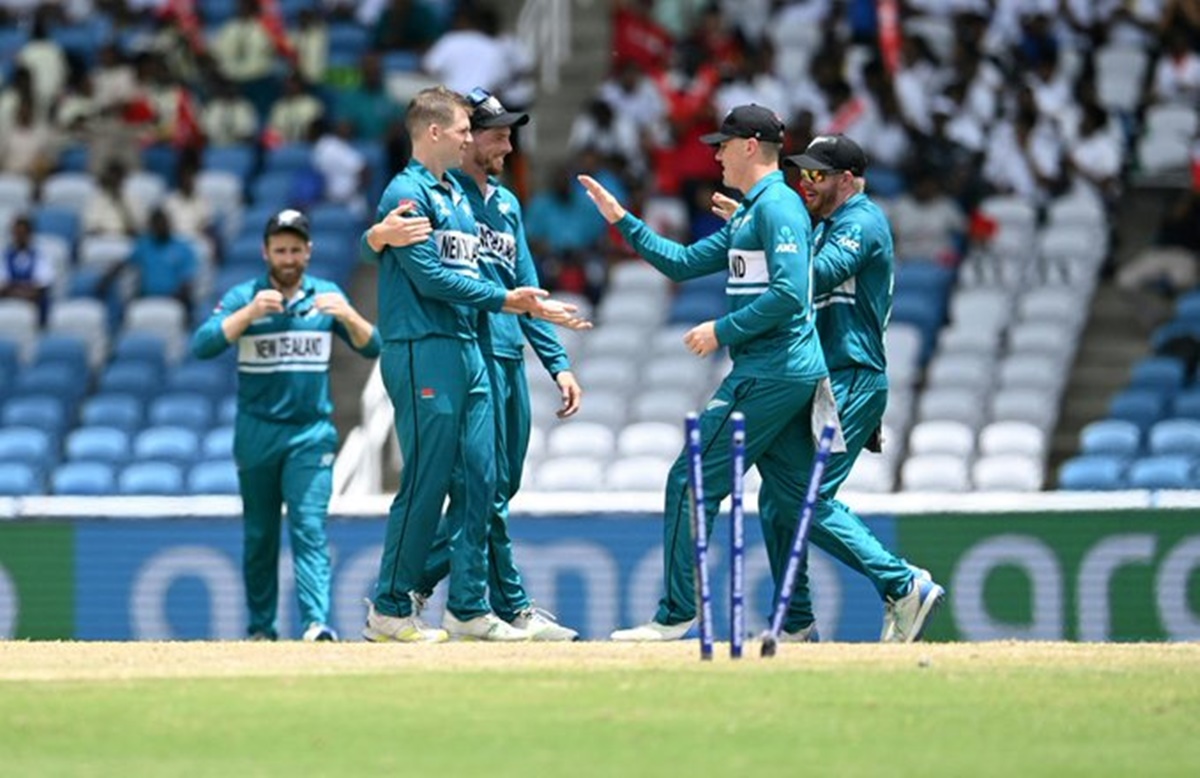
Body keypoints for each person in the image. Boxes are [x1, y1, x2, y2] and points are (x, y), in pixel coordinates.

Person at [578, 104, 830, 641]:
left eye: (722, 145)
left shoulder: (778, 206)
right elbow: (683, 263)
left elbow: (790, 293)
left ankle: (676, 613)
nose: (713, 154)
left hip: (772, 368)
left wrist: (723, 330)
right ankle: (810, 620)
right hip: (781, 369)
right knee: (787, 498)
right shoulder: (754, 211)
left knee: (690, 479)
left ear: (749, 146)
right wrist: (623, 220)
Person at [360, 86, 588, 644]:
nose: (502, 144)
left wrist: (549, 344)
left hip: (474, 345)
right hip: (436, 343)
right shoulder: (424, 191)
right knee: (441, 481)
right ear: (445, 135)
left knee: (487, 483)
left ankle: (462, 603)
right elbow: (435, 276)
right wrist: (374, 238)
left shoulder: (482, 201)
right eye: (483, 131)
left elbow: (512, 278)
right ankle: (412, 601)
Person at [713, 134, 946, 642]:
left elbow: (809, 278)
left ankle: (903, 584)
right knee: (779, 501)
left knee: (803, 498)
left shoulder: (862, 222)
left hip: (851, 375)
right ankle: (795, 624)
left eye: (817, 175)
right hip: (827, 379)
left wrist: (762, 236)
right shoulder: (821, 227)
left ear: (848, 179)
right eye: (801, 173)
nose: (804, 182)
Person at [190, 208, 382, 642]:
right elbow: (202, 344)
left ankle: (316, 623)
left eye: (296, 249)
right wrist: (249, 315)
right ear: (266, 252)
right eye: (281, 250)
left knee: (310, 528)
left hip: (311, 434)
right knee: (260, 536)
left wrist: (348, 316)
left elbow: (374, 348)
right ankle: (261, 629)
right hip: (256, 432)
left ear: (309, 251)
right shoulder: (246, 295)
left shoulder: (326, 295)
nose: (289, 258)